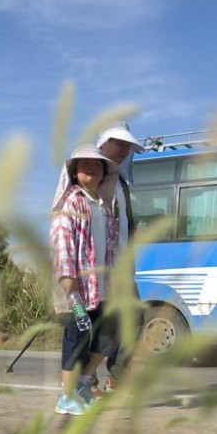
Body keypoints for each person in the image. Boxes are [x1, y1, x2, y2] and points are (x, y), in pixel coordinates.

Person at [50, 144, 120, 415]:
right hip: (77, 291)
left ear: (104, 172)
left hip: (102, 289)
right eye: (83, 164)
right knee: (77, 337)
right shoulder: (71, 202)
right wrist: (69, 284)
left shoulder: (103, 205)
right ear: (74, 173)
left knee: (109, 335)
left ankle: (81, 383)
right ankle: (65, 398)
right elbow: (62, 241)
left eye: (97, 164)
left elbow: (110, 247)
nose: (90, 167)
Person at [94, 120, 145, 393]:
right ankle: (84, 381)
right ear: (104, 144)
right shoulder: (92, 175)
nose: (126, 149)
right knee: (97, 324)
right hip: (99, 267)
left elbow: (127, 222)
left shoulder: (121, 183)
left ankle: (118, 379)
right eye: (120, 143)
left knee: (134, 320)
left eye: (128, 145)